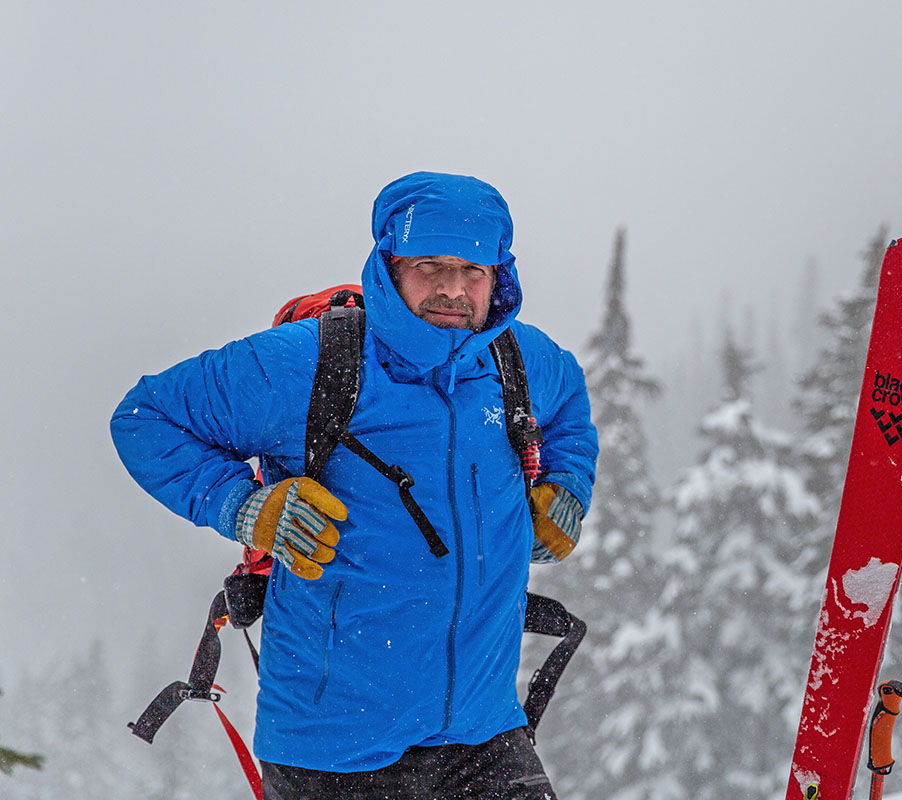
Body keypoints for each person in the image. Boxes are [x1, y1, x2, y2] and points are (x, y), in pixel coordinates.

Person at [111, 171, 598, 799]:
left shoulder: (520, 361)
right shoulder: (307, 362)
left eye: (474, 270)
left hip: (485, 735)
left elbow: (569, 413)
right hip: (334, 750)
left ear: (498, 275)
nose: (454, 289)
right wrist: (244, 507)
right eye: (431, 266)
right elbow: (146, 417)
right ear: (390, 265)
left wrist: (567, 490)